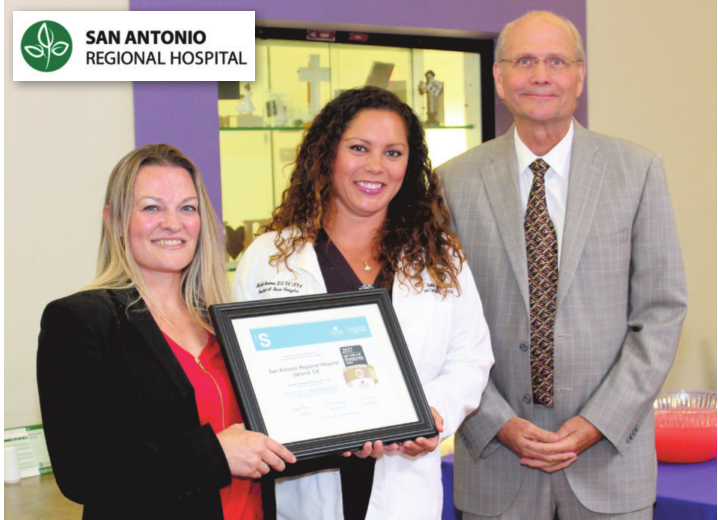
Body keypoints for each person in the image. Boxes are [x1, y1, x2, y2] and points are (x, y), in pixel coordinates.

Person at [438, 11, 687, 520]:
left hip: (609, 464)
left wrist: (599, 421)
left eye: (556, 61)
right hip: (496, 465)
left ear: (580, 74)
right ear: (499, 77)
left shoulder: (638, 171)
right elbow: (438, 324)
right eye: (524, 61)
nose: (540, 75)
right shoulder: (452, 182)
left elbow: (660, 314)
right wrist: (496, 422)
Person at [232, 86, 494, 520]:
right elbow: (243, 374)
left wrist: (429, 415)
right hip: (305, 486)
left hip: (404, 486)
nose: (375, 166)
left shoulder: (439, 258)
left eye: (393, 153)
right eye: (358, 148)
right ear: (327, 155)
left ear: (409, 165)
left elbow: (471, 357)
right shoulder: (269, 258)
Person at [37, 144, 296, 520]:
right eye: (151, 207)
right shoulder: (81, 321)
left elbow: (267, 439)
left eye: (187, 208)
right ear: (114, 220)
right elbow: (81, 472)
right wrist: (215, 454)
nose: (173, 223)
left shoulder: (223, 323)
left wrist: (346, 439)